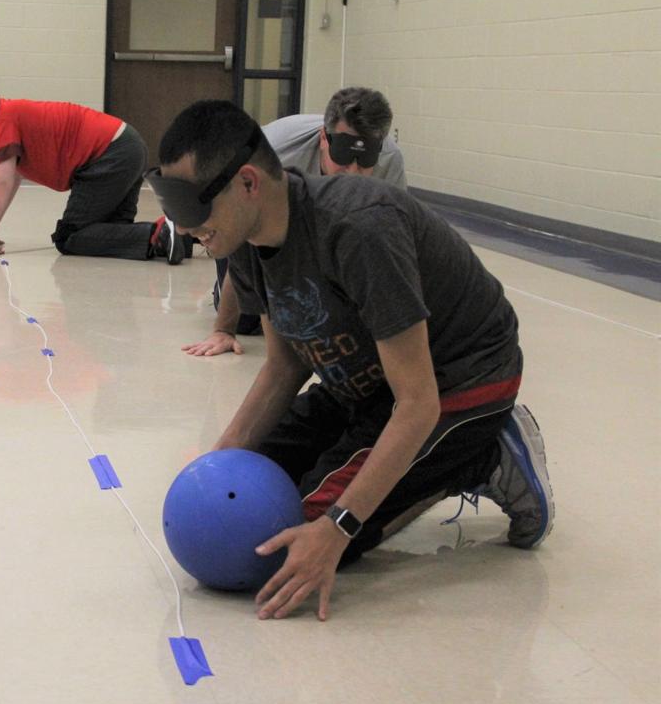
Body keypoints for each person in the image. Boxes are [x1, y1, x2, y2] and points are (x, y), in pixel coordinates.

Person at [147, 100, 554, 621]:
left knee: (287, 539)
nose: (186, 229)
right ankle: (447, 457)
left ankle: (483, 456)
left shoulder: (358, 228)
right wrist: (215, 466)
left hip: (461, 378)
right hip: (366, 380)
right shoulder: (244, 243)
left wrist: (338, 527)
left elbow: (416, 402)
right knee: (245, 496)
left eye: (194, 210)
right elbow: (283, 366)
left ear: (248, 183)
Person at [185, 87, 406, 356]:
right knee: (248, 319)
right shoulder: (273, 155)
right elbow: (245, 239)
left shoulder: (390, 161)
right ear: (324, 139)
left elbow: (390, 243)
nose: (353, 172)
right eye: (343, 158)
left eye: (365, 161)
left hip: (318, 226)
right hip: (231, 203)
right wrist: (223, 329)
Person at [0, 82, 187, 263]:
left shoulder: (5, 116)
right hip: (126, 147)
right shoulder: (12, 119)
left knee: (70, 237)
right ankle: (179, 235)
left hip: (109, 154)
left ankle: (160, 233)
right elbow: (11, 179)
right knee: (110, 232)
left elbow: (1, 181)